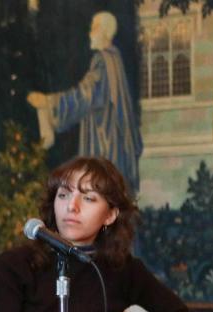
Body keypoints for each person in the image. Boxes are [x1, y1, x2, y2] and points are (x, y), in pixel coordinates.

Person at [0, 156, 195, 312]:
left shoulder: (121, 268)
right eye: (63, 195)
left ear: (110, 215)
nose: (72, 206)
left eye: (88, 198)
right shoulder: (15, 265)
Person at [27, 11, 143, 194]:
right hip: (112, 143)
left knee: (98, 191)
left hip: (104, 144)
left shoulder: (102, 61)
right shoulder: (114, 59)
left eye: (94, 28)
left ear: (105, 32)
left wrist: (49, 102)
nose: (90, 33)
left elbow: (84, 96)